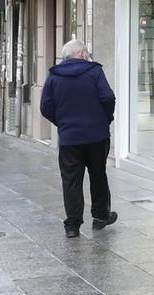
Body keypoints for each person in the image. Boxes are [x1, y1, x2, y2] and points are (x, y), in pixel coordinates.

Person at [38, 39, 118, 237]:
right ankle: (100, 216)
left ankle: (72, 226)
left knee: (71, 180)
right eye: (87, 52)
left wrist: (63, 123)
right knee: (98, 174)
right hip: (97, 136)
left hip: (69, 138)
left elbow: (45, 107)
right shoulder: (94, 72)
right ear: (82, 53)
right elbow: (108, 97)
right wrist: (104, 119)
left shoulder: (54, 76)